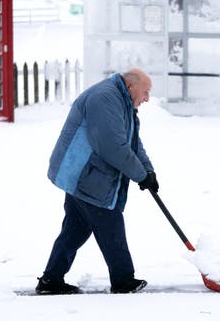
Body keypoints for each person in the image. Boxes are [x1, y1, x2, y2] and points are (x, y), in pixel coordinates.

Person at [36, 68, 160, 295]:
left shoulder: (120, 100)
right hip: (84, 174)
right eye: (145, 92)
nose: (147, 99)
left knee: (75, 229)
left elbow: (131, 141)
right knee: (110, 223)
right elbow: (112, 146)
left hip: (85, 173)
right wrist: (140, 175)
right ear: (131, 87)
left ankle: (51, 280)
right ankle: (123, 280)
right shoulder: (104, 99)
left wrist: (148, 172)